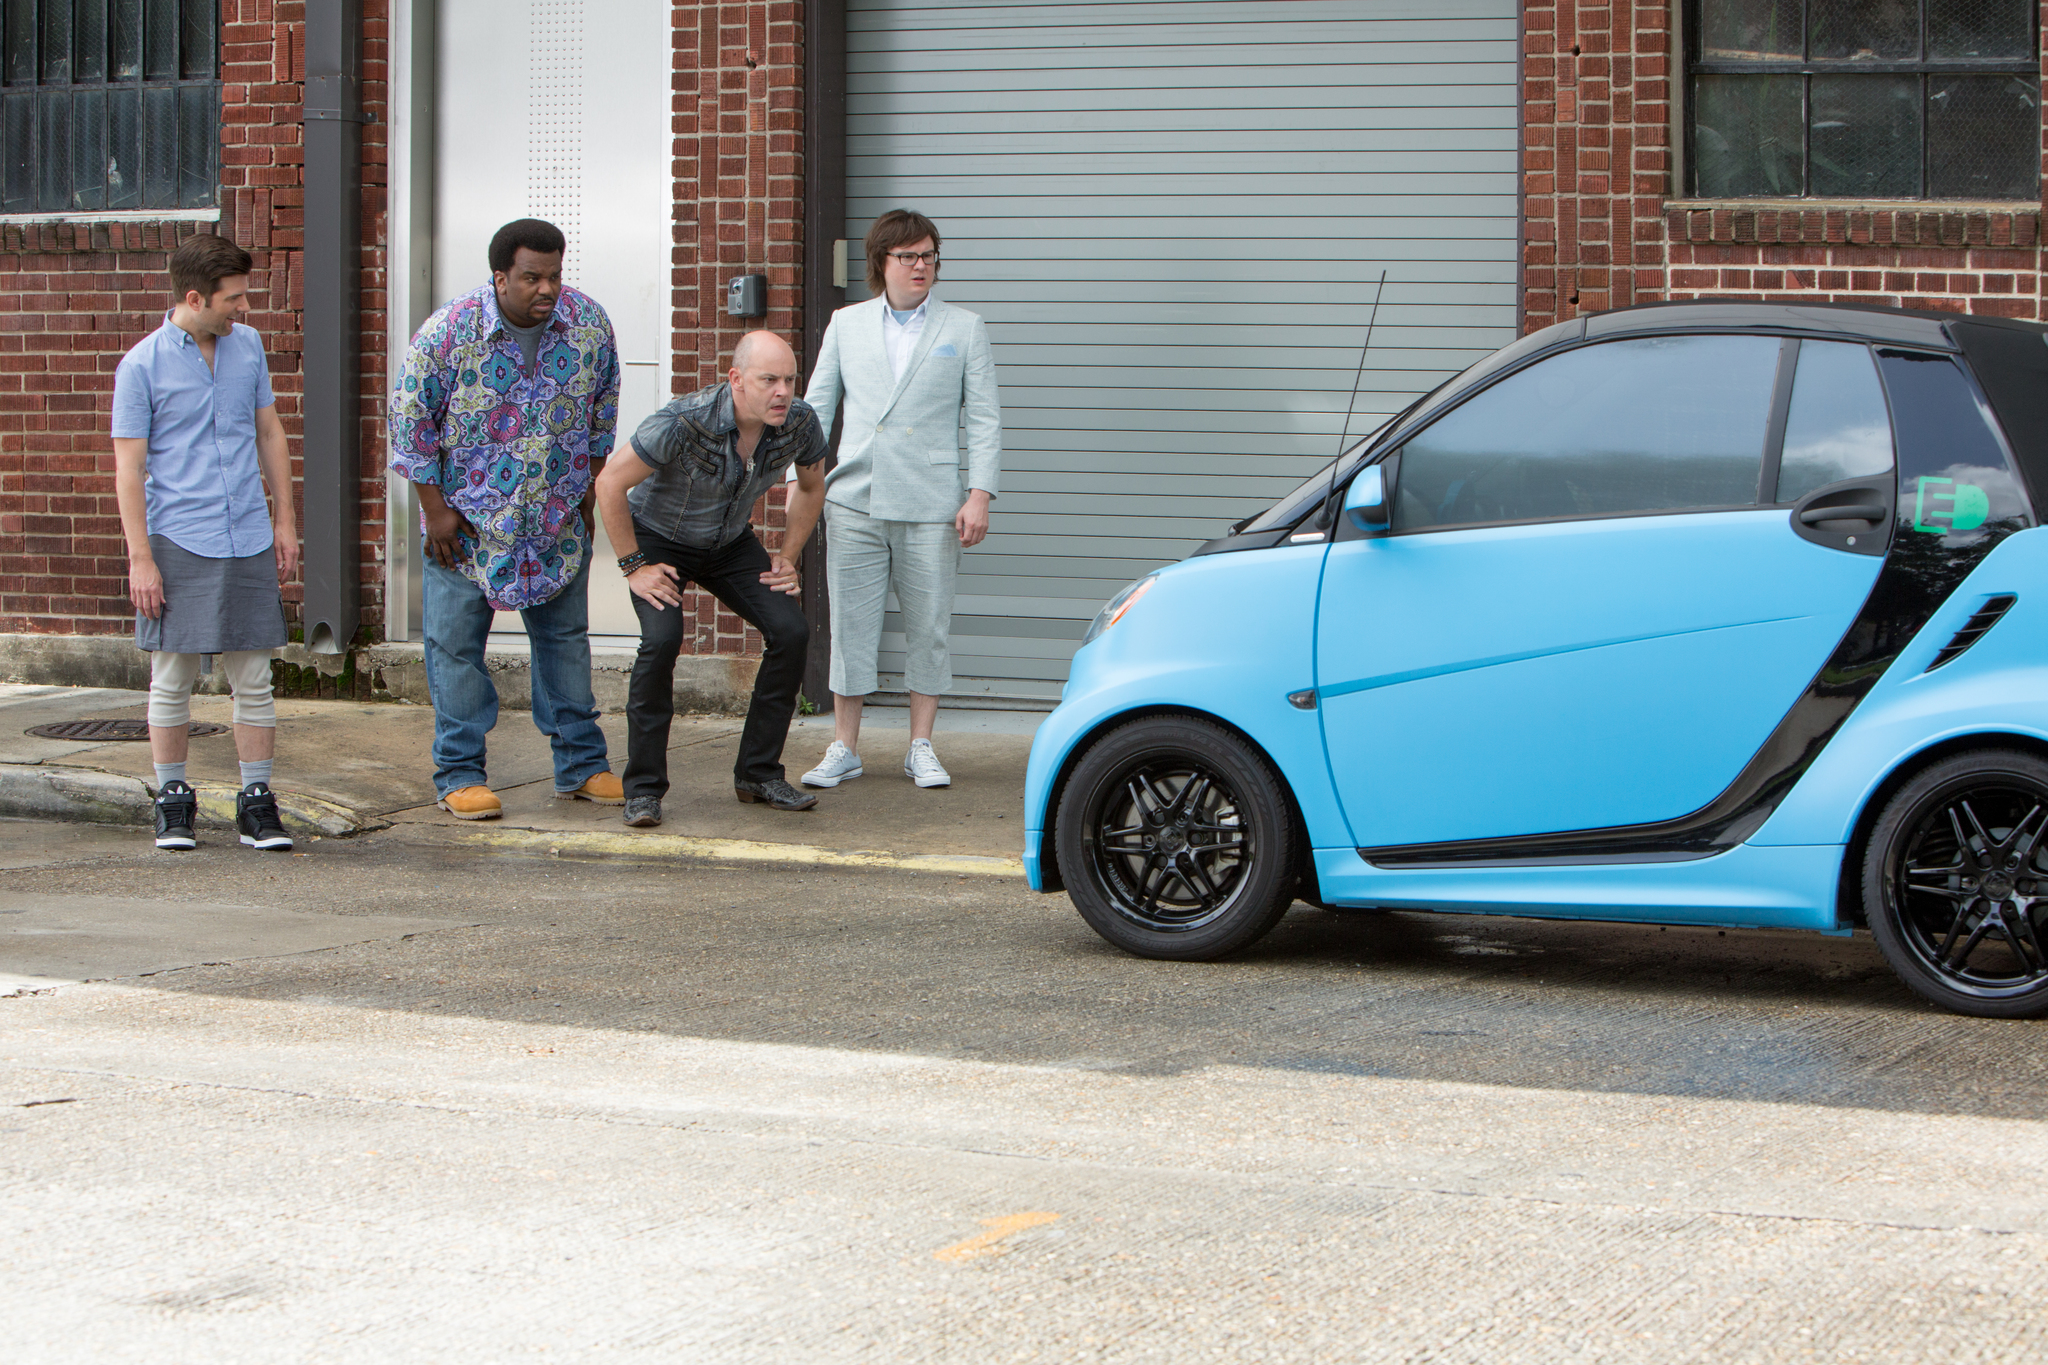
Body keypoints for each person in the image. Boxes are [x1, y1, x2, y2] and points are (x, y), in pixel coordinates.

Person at [388, 218, 624, 820]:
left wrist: (588, 493)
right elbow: (410, 426)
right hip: (465, 531)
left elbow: (602, 415)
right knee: (456, 650)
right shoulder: (446, 334)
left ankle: (582, 765)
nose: (546, 289)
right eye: (530, 278)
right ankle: (460, 774)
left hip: (554, 522)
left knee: (565, 644)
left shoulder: (589, 326)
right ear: (500, 277)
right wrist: (434, 510)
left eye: (554, 275)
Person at [798, 208, 1002, 792]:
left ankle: (921, 745)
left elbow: (985, 419)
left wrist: (978, 494)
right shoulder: (846, 324)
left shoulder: (963, 328)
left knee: (929, 626)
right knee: (850, 626)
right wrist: (802, 488)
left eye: (929, 256)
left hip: (933, 500)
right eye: (908, 257)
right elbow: (813, 413)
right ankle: (844, 746)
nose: (920, 266)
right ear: (880, 263)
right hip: (856, 497)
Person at [593, 332, 828, 824]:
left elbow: (810, 485)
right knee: (662, 641)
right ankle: (643, 790)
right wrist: (634, 566)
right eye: (769, 380)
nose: (782, 391)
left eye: (789, 379)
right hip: (657, 538)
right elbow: (610, 482)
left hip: (727, 543)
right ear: (736, 380)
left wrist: (787, 555)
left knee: (791, 630)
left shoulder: (799, 423)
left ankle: (758, 774)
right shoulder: (684, 420)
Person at [113, 234, 299, 853]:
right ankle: (172, 801)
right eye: (234, 298)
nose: (243, 308)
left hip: (245, 529)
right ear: (196, 297)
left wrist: (284, 520)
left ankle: (256, 802)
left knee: (254, 676)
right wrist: (141, 557)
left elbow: (269, 432)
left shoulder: (247, 347)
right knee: (173, 676)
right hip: (177, 537)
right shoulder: (141, 366)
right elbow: (128, 469)